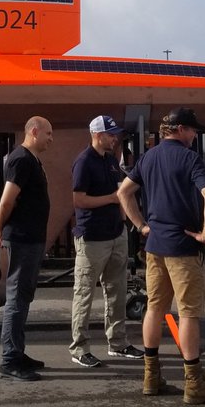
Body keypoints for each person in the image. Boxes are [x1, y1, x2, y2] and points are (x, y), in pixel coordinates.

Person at [117, 107, 205, 405]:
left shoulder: (148, 157)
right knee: (189, 312)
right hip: (183, 246)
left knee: (155, 307)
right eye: (192, 129)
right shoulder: (189, 158)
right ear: (179, 129)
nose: (195, 135)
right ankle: (194, 382)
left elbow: (124, 193)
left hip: (154, 245)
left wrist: (141, 225)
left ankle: (150, 376)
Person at [68, 115, 141, 368]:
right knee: (85, 293)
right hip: (92, 237)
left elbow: (118, 192)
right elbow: (79, 200)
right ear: (97, 135)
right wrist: (110, 199)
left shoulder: (110, 160)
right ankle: (79, 348)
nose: (115, 138)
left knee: (117, 290)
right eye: (110, 134)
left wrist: (123, 220)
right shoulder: (83, 161)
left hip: (114, 233)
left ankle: (118, 342)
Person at [0, 116, 52, 381]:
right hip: (21, 238)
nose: (51, 139)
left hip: (31, 238)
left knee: (24, 296)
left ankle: (18, 351)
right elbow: (6, 201)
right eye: (48, 133)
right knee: (16, 298)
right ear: (34, 131)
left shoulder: (32, 160)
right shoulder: (21, 159)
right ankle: (9, 360)